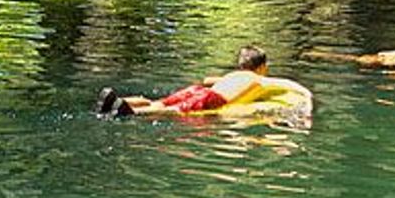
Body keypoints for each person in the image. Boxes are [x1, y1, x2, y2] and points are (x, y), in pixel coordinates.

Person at [95, 46, 272, 117]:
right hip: (213, 98)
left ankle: (119, 101)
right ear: (262, 66)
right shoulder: (258, 80)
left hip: (197, 90)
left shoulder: (231, 76)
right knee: (174, 110)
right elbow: (284, 88)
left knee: (160, 102)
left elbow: (206, 80)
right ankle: (130, 112)